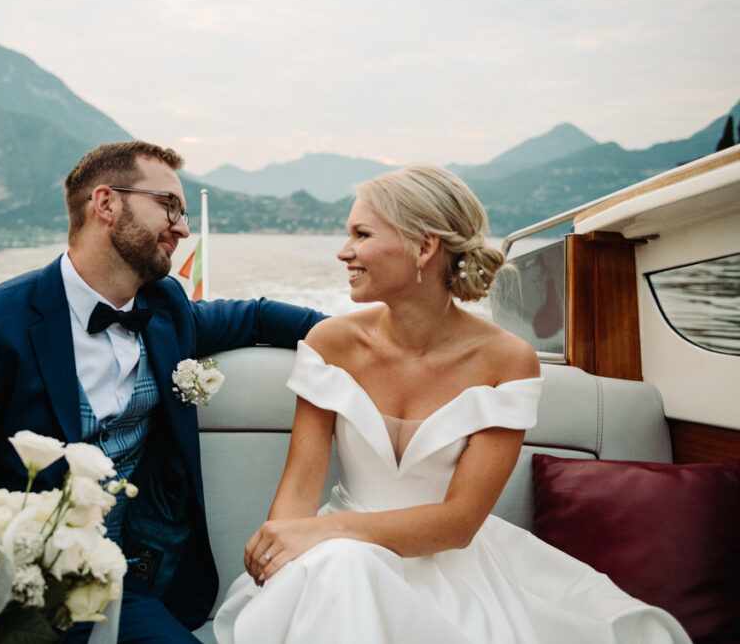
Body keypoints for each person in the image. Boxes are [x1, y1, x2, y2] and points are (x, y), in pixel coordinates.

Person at [0, 141, 324, 644]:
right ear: (105, 204)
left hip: (114, 583)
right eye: (169, 205)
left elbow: (254, 316)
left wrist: (374, 342)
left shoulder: (167, 308)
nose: (183, 227)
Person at [213, 165, 690, 643]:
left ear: (424, 247)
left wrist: (328, 532)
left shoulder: (508, 361)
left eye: (361, 234)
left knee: (346, 561)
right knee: (344, 568)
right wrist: (283, 547)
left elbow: (460, 521)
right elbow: (299, 485)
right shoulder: (329, 342)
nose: (344, 251)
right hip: (335, 558)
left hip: (446, 559)